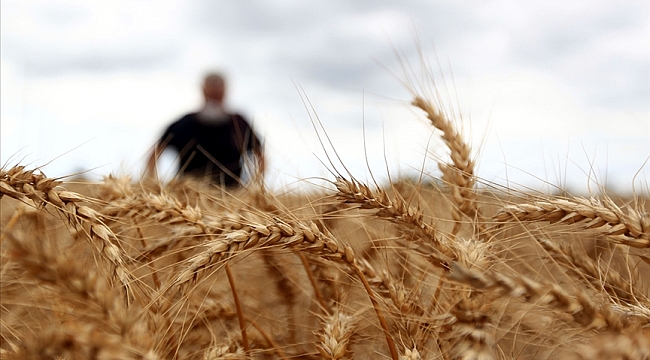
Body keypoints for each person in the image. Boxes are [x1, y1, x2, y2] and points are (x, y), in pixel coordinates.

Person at [146, 73, 264, 187]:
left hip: (231, 199)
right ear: (203, 90)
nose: (214, 96)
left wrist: (251, 187)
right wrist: (154, 185)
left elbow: (260, 156)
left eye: (217, 93)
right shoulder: (184, 124)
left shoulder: (239, 124)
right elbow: (155, 154)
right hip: (187, 198)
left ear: (225, 91)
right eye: (211, 93)